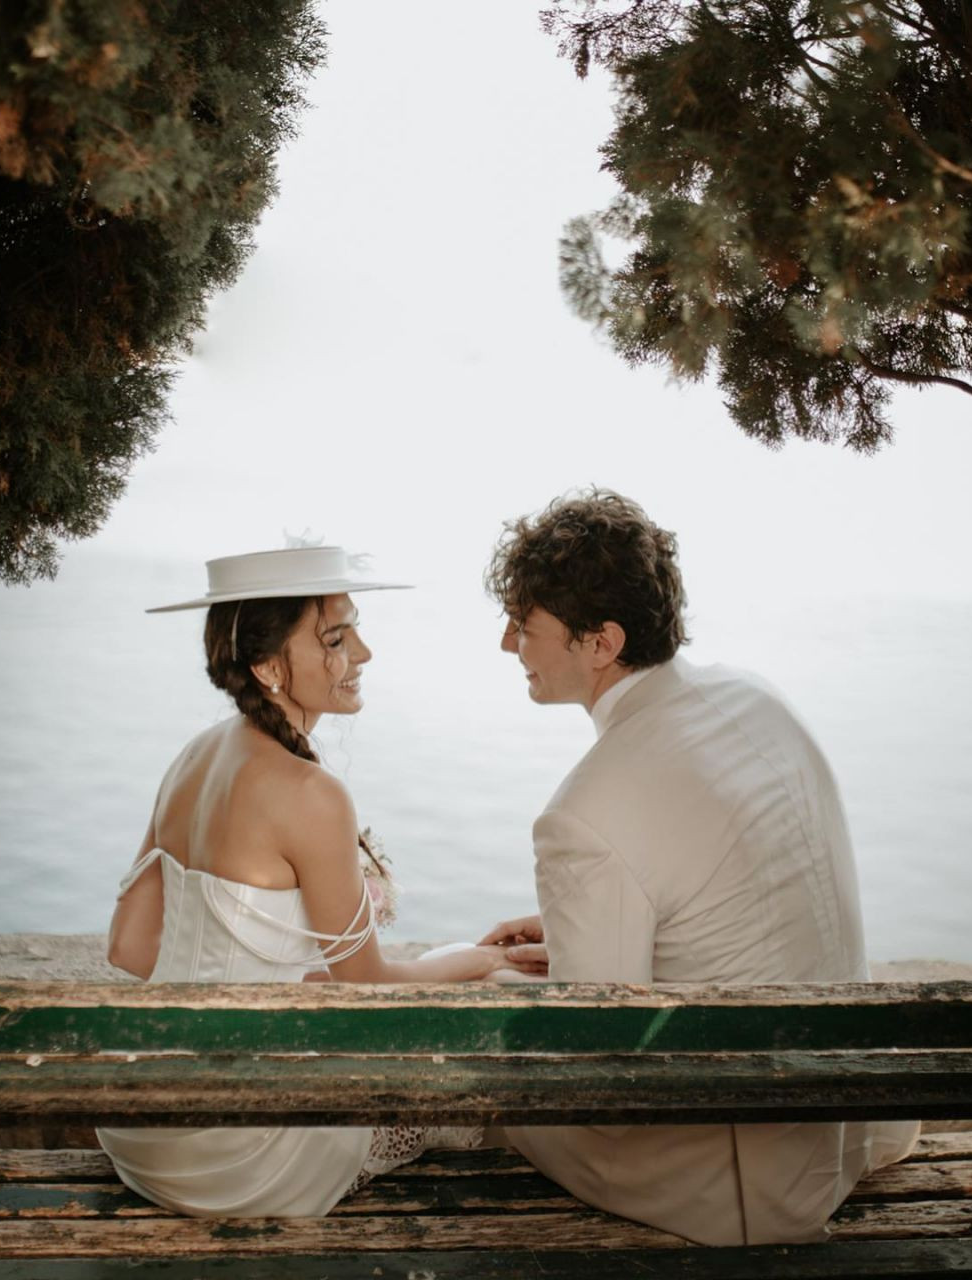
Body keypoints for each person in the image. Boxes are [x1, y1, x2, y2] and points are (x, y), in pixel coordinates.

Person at [478, 489, 919, 1247]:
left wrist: (510, 982)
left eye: (525, 625)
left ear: (599, 643)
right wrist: (578, 930)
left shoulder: (582, 813)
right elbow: (738, 891)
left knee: (486, 1004)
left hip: (736, 1181)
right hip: (853, 1124)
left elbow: (597, 1054)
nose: (507, 645)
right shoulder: (754, 697)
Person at [97, 544, 517, 1218]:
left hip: (142, 1128)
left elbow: (129, 948)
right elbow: (369, 985)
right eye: (336, 637)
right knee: (456, 1069)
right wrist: (476, 958)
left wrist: (272, 978)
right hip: (232, 1155)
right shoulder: (311, 792)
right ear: (268, 667)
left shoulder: (193, 757)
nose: (364, 653)